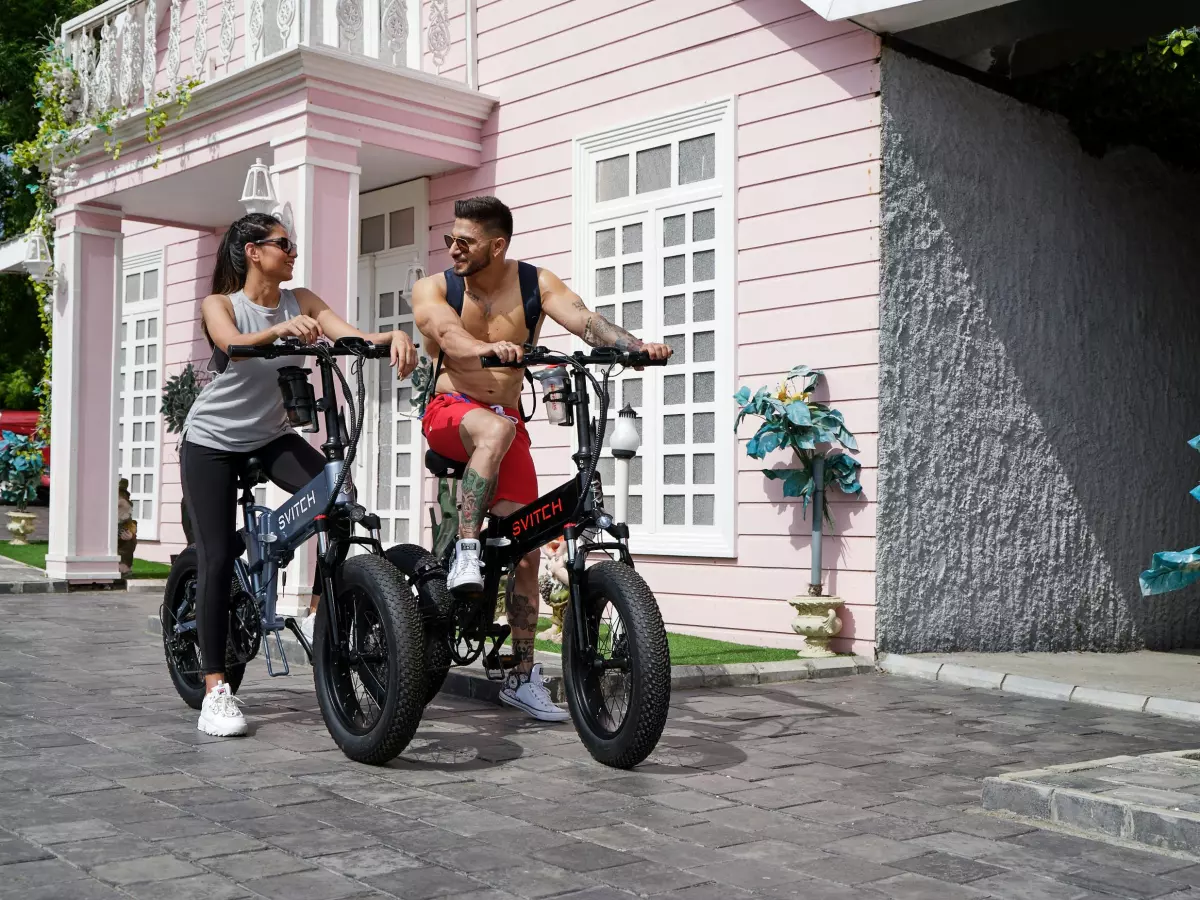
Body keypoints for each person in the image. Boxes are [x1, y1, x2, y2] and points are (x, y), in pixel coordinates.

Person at [411, 196, 671, 721]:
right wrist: (485, 350)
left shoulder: (533, 283)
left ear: (498, 244)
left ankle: (522, 675)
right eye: (450, 240)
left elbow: (585, 322)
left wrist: (634, 347)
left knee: (527, 549)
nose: (454, 249)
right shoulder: (437, 286)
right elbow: (445, 334)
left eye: (466, 241)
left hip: (507, 427)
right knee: (491, 429)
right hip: (451, 414)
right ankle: (465, 549)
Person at [181, 212, 418, 737]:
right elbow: (232, 346)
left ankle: (316, 610)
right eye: (283, 244)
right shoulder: (222, 304)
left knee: (337, 495)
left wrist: (393, 337)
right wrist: (278, 331)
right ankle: (216, 690)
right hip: (212, 443)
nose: (292, 252)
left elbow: (352, 337)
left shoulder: (302, 299)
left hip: (269, 437)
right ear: (252, 252)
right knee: (219, 556)